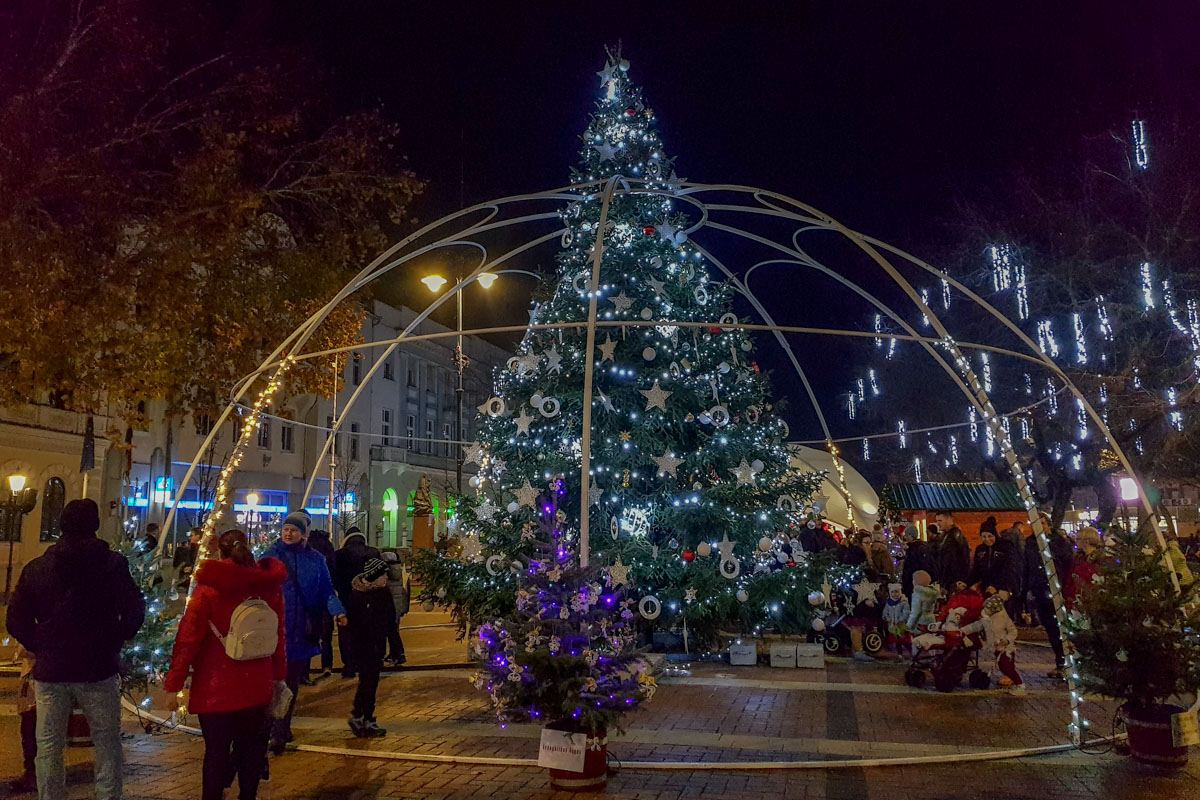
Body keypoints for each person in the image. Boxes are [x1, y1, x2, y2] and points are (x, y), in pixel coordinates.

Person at [7, 498, 145, 800]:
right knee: (106, 742)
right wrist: (115, 639)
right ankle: (107, 795)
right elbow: (134, 608)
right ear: (94, 525)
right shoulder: (111, 565)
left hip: (51, 670)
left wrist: (39, 644)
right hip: (97, 668)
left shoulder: (37, 568)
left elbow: (15, 619)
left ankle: (51, 795)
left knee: (48, 744)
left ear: (62, 526)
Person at [164, 529, 286, 800]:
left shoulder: (209, 589)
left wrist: (174, 684)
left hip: (215, 688)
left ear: (220, 552)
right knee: (250, 751)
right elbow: (279, 637)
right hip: (257, 685)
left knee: (216, 753)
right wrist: (279, 677)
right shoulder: (268, 588)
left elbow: (188, 640)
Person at [265, 511, 346, 754]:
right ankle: (272, 727)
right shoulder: (271, 557)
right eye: (286, 529)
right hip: (274, 630)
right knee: (271, 682)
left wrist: (338, 611)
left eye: (294, 530)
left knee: (291, 682)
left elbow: (326, 590)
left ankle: (281, 728)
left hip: (301, 631)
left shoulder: (315, 559)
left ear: (303, 534)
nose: (288, 534)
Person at [335, 529, 391, 737]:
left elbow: (388, 620)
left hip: (375, 646)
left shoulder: (382, 594)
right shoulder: (359, 597)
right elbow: (358, 625)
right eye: (383, 575)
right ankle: (361, 715)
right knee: (367, 682)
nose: (386, 578)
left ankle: (365, 716)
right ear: (374, 578)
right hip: (365, 647)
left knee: (370, 682)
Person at [1024, 520, 1071, 679]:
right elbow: (1027, 565)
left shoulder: (1058, 542)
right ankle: (1060, 662)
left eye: (1042, 522)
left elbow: (1067, 563)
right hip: (1039, 590)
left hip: (1057, 590)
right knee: (1050, 628)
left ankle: (1067, 663)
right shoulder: (1030, 543)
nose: (1039, 525)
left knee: (1061, 628)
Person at [963, 594, 1024, 694]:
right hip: (994, 648)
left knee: (1007, 667)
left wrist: (1007, 640)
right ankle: (1013, 682)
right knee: (1004, 667)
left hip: (1005, 648)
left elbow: (1013, 631)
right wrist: (963, 631)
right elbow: (976, 626)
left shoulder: (1003, 619)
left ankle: (1019, 684)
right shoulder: (986, 619)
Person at [306, 529, 338, 678]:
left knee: (307, 634)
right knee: (326, 635)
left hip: (309, 596)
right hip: (325, 595)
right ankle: (327, 665)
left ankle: (305, 672)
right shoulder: (328, 546)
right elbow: (333, 570)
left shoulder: (307, 547)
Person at [9, 645, 37, 793]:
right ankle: (34, 772)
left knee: (30, 730)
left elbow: (23, 650)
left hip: (35, 678)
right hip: (40, 678)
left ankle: (32, 774)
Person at [381, 550, 410, 667]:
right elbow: (406, 591)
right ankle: (395, 654)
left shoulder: (386, 572)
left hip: (389, 606)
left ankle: (398, 654)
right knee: (394, 630)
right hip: (399, 605)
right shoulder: (400, 570)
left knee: (390, 631)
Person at [1063, 526, 1102, 609]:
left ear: (1086, 541)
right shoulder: (1078, 558)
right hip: (1076, 599)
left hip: (1091, 600)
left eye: (1078, 539)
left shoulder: (1099, 559)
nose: (1075, 541)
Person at [933, 511, 971, 590]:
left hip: (954, 581)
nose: (938, 524)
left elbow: (963, 560)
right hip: (947, 581)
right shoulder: (945, 536)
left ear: (949, 520)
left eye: (940, 520)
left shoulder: (955, 537)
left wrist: (960, 580)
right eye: (937, 521)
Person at [967, 528, 1010, 597]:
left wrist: (996, 586)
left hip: (1002, 589)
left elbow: (1007, 570)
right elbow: (976, 569)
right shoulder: (980, 549)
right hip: (985, 588)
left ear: (995, 535)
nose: (987, 539)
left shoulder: (1004, 548)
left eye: (990, 536)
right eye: (984, 536)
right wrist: (969, 583)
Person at [900, 526, 931, 597]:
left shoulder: (913, 549)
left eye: (907, 535)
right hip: (916, 580)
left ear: (911, 536)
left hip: (913, 580)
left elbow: (911, 566)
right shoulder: (920, 547)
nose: (905, 537)